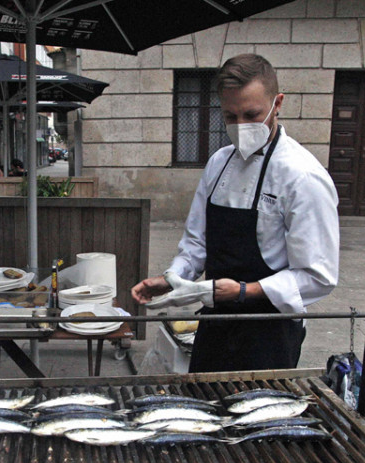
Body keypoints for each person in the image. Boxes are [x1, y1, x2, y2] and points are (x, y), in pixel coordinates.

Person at [131, 54, 339, 373]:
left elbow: (317, 276)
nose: (241, 127)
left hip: (269, 332)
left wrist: (244, 291)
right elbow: (196, 243)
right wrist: (174, 279)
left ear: (277, 103)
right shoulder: (219, 162)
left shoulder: (302, 176)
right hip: (215, 322)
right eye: (230, 116)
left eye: (252, 114)